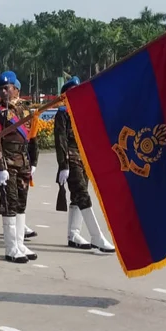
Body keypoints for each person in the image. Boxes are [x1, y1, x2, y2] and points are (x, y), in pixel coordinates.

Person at [54, 77, 115, 253]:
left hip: (83, 158)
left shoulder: (83, 112)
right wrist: (63, 165)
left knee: (77, 197)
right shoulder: (63, 112)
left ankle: (74, 234)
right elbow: (60, 140)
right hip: (71, 158)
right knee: (82, 194)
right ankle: (97, 237)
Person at [0, 71, 38, 264]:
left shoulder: (26, 110)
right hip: (8, 163)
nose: (3, 92)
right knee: (9, 204)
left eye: (7, 88)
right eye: (1, 89)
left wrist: (34, 162)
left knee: (21, 205)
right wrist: (0, 167)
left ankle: (19, 243)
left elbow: (32, 138)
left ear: (16, 89)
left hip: (23, 162)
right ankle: (10, 248)